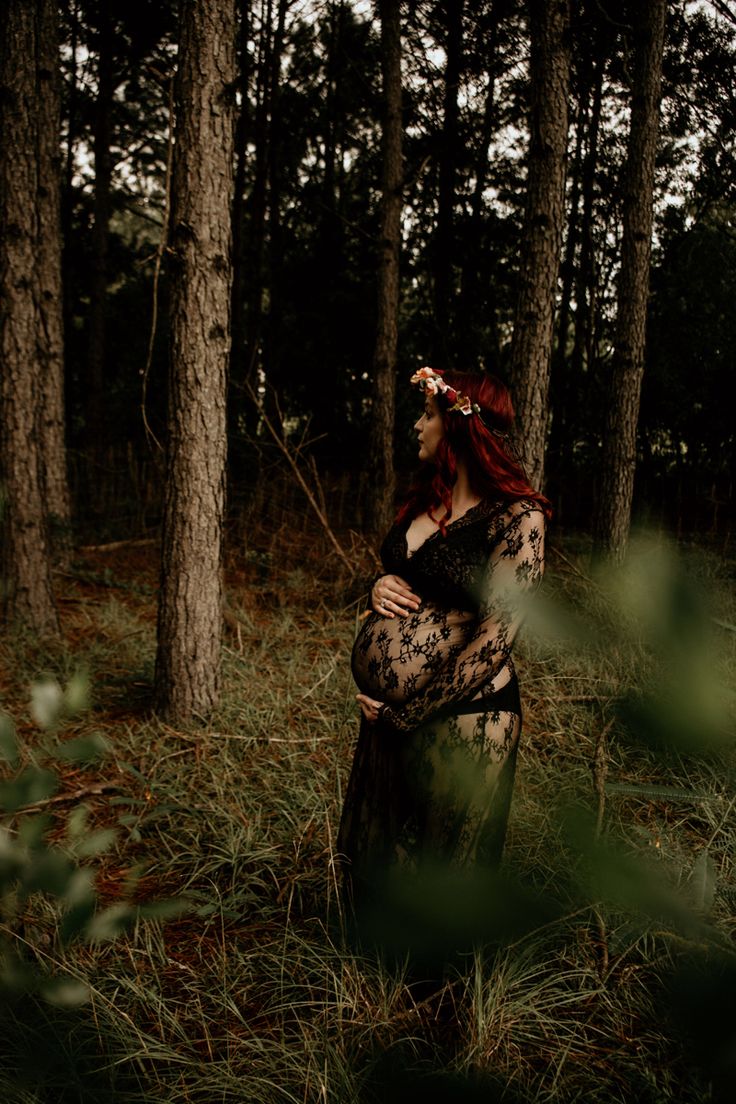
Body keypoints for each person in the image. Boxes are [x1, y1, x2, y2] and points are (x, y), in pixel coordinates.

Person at [338, 367, 550, 953]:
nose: (417, 424)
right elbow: (413, 590)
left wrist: (406, 714)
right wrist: (378, 585)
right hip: (393, 711)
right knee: (387, 857)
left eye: (427, 414)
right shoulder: (424, 500)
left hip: (468, 714)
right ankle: (375, 987)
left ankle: (442, 1011)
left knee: (444, 867)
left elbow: (495, 638)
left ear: (459, 425)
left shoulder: (518, 517)